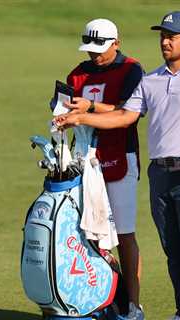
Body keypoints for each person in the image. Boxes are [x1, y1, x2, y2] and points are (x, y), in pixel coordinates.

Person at [56, 11, 180, 320]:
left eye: (172, 36)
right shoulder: (150, 80)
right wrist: (80, 118)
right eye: (162, 36)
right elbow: (124, 116)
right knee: (172, 247)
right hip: (160, 172)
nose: (165, 41)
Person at [63, 18, 145, 320]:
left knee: (124, 233)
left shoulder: (132, 69)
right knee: (90, 233)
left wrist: (89, 109)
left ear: (117, 42)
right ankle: (99, 299)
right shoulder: (79, 73)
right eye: (91, 50)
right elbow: (62, 106)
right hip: (84, 159)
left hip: (121, 155)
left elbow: (130, 112)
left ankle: (133, 306)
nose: (95, 56)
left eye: (101, 49)